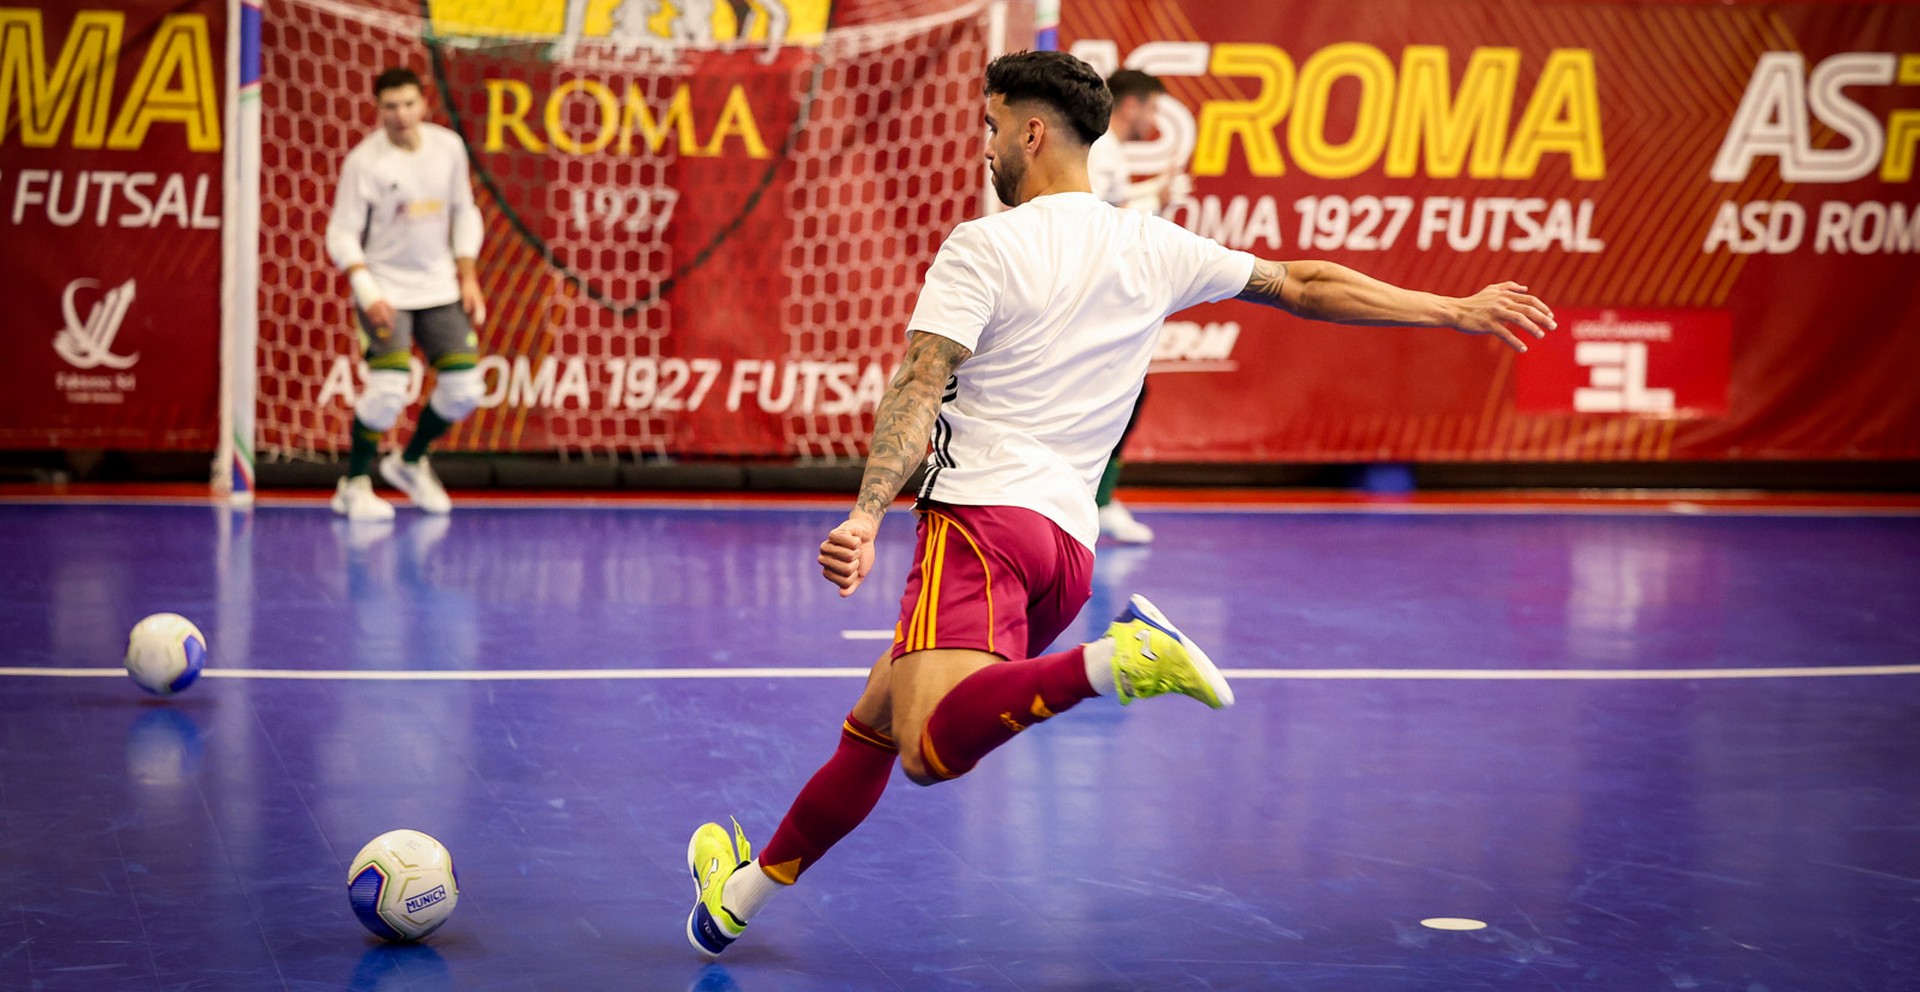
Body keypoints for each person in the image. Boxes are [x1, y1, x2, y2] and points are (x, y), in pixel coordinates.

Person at [683, 50, 1555, 958]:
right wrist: (1451, 308)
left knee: (928, 747)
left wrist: (866, 515)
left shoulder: (983, 246)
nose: (984, 147)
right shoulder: (1154, 245)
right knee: (880, 715)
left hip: (980, 526)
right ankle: (736, 899)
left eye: (990, 127)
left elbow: (918, 384)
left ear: (1032, 131)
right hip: (1065, 555)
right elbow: (1303, 283)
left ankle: (1119, 660)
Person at [323, 66, 488, 521]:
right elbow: (341, 233)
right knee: (387, 393)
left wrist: (467, 275)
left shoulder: (448, 148)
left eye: (409, 104)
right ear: (378, 109)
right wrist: (366, 290)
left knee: (464, 389)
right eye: (391, 106)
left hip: (439, 287)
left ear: (424, 103)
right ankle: (354, 485)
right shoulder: (365, 162)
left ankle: (410, 463)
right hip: (385, 289)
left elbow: (465, 211)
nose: (401, 114)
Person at [1084, 68, 1173, 543]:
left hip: (1100, 292)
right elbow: (1093, 220)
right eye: (1152, 108)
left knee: (1129, 391)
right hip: (1084, 292)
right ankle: (1093, 503)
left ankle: (1098, 501)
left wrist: (1151, 195)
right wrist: (1153, 199)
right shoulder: (1101, 150)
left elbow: (1111, 211)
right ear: (1132, 104)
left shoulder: (1109, 152)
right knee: (1121, 391)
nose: (1154, 121)